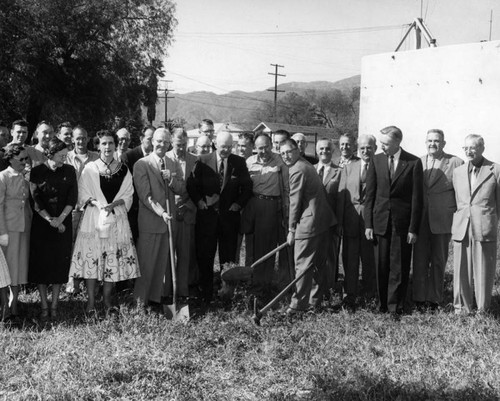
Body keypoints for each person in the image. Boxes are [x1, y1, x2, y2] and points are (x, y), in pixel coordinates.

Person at [69, 130, 139, 316]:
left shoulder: (124, 169)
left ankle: (108, 300)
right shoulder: (90, 168)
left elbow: (129, 193)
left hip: (116, 219)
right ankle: (91, 302)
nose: (107, 147)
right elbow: (82, 193)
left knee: (111, 259)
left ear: (115, 145)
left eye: (110, 143)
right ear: (98, 146)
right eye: (104, 143)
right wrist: (96, 203)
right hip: (94, 220)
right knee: (92, 260)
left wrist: (115, 204)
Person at [364, 126, 423, 318]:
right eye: (381, 143)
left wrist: (413, 229)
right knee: (381, 265)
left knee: (399, 266)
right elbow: (370, 195)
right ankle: (382, 305)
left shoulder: (413, 163)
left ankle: (395, 306)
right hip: (380, 222)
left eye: (386, 143)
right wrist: (368, 224)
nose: (382, 147)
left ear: (398, 142)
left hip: (402, 224)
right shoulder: (376, 160)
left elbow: (417, 199)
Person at [187, 131, 253, 303]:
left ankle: (226, 293)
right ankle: (206, 293)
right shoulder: (203, 160)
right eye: (224, 146)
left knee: (228, 258)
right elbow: (191, 185)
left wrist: (238, 204)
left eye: (230, 147)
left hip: (229, 220)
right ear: (216, 144)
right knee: (205, 257)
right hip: (207, 219)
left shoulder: (238, 162)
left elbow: (247, 187)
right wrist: (199, 202)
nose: (227, 150)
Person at [280, 139, 336, 314]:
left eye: (289, 151)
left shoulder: (298, 169)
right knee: (318, 264)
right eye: (282, 153)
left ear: (298, 150)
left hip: (310, 223)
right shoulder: (306, 164)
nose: (286, 156)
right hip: (322, 221)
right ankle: (314, 302)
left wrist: (291, 230)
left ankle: (298, 306)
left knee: (303, 265)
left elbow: (295, 202)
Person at [133, 128, 185, 306]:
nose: (162, 145)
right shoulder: (142, 164)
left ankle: (155, 299)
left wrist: (171, 180)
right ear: (152, 141)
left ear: (170, 143)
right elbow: (145, 195)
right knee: (146, 263)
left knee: (162, 264)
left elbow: (180, 188)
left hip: (167, 223)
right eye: (159, 141)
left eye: (165, 141)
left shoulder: (173, 162)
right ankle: (140, 302)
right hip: (151, 221)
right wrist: (161, 212)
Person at [413, 129, 463, 311]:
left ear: (443, 143)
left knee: (438, 260)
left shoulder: (456, 162)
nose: (432, 144)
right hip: (420, 220)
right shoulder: (417, 161)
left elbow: (461, 193)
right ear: (425, 142)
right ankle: (419, 298)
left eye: (436, 141)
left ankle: (434, 299)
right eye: (429, 141)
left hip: (443, 218)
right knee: (419, 259)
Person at [28, 138, 77, 320]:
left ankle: (55, 306)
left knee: (58, 265)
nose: (64, 158)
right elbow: (35, 200)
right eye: (61, 155)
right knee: (41, 266)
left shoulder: (70, 170)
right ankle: (43, 305)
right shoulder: (37, 172)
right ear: (50, 154)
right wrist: (51, 220)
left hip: (63, 224)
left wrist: (61, 220)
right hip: (42, 224)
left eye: (65, 155)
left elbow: (72, 198)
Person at [452, 134, 500, 314]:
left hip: (484, 227)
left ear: (482, 148)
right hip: (462, 227)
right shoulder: (458, 172)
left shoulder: (495, 170)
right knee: (461, 269)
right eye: (465, 148)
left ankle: (482, 309)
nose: (468, 151)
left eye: (472, 147)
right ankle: (462, 309)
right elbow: (457, 200)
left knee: (484, 270)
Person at [242, 134, 291, 293]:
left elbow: (286, 188)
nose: (263, 151)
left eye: (266, 147)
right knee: (252, 244)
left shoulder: (280, 161)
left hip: (271, 204)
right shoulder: (249, 161)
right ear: (255, 148)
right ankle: (251, 279)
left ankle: (265, 282)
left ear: (271, 145)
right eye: (259, 148)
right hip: (253, 203)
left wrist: (286, 209)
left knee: (266, 245)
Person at [337, 135, 377, 308]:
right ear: (358, 150)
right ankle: (350, 294)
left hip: (372, 221)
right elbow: (341, 196)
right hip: (351, 219)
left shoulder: (381, 166)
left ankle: (369, 293)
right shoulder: (349, 168)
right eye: (362, 148)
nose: (365, 151)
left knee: (369, 259)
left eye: (369, 147)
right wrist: (339, 221)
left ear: (375, 148)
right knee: (350, 258)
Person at [64, 126, 99, 295]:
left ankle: (91, 279)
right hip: (73, 209)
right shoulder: (66, 158)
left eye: (84, 138)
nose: (80, 141)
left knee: (91, 244)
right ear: (72, 139)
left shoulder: (96, 157)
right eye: (77, 138)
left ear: (88, 138)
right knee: (73, 244)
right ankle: (72, 280)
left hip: (92, 209)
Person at [165, 128, 199, 298]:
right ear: (172, 142)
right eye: (178, 145)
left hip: (188, 211)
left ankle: (183, 291)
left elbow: (198, 188)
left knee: (185, 254)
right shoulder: (165, 159)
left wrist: (188, 205)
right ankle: (168, 291)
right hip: (170, 212)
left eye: (184, 145)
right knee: (169, 254)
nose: (181, 148)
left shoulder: (195, 160)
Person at [0, 144, 32, 319]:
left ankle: (14, 306)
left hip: (23, 229)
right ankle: (5, 308)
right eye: (21, 159)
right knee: (6, 270)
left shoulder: (24, 178)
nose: (24, 162)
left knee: (19, 268)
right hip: (8, 231)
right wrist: (2, 232)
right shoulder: (2, 177)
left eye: (26, 158)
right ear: (11, 159)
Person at [314, 138, 341, 293]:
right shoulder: (310, 170)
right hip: (313, 222)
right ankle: (314, 289)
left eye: (327, 149)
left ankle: (328, 289)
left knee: (330, 257)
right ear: (317, 151)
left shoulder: (340, 172)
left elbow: (342, 199)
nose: (324, 152)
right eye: (321, 149)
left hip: (331, 222)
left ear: (332, 151)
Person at [122, 125, 155, 242]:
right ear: (141, 138)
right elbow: (127, 185)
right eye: (149, 139)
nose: (153, 142)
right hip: (135, 209)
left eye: (154, 139)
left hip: (153, 210)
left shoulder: (158, 157)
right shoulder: (129, 157)